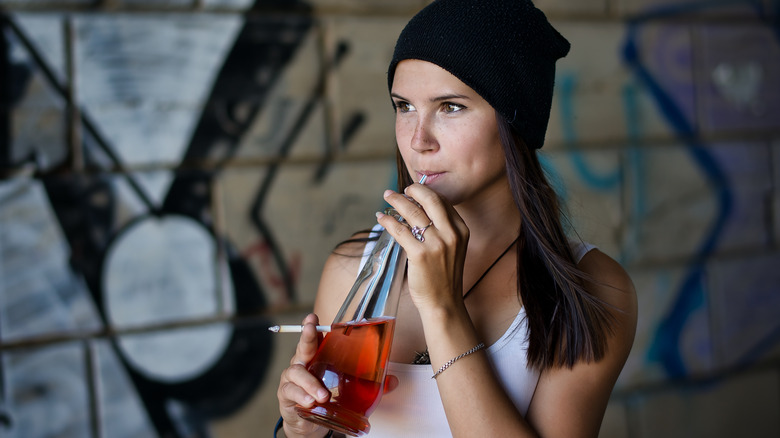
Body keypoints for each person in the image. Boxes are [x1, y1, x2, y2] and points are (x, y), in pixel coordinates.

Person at [276, 0, 637, 436]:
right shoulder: (353, 271)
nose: (417, 139)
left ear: (515, 121)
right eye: (404, 106)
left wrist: (443, 308)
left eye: (450, 107)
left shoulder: (590, 292)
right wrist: (302, 430)